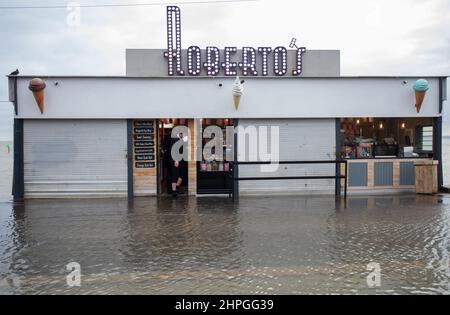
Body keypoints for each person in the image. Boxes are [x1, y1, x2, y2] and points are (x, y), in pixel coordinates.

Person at [170, 132, 187, 197]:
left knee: (182, 174)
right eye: (183, 134)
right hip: (176, 160)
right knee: (175, 175)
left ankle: (177, 187)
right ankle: (174, 191)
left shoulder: (180, 139)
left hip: (181, 159)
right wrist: (176, 160)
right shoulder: (174, 139)